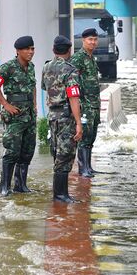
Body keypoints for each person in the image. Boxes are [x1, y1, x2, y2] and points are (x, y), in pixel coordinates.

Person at [0, 36, 37, 196]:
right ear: (18, 51)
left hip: (29, 116)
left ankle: (21, 185)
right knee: (12, 151)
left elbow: (33, 86)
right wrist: (5, 104)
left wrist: (35, 105)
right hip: (15, 116)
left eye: (32, 48)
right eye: (27, 49)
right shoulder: (8, 67)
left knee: (27, 151)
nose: (30, 52)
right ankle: (4, 187)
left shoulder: (31, 67)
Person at [41, 35, 82, 203]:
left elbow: (45, 87)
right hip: (66, 116)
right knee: (65, 154)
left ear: (53, 50)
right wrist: (78, 122)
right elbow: (73, 97)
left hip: (52, 115)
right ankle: (60, 195)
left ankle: (60, 194)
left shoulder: (46, 67)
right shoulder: (71, 70)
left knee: (57, 152)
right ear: (69, 50)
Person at [70, 28, 101, 177]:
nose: (93, 42)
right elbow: (73, 82)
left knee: (91, 135)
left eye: (95, 39)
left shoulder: (91, 58)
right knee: (84, 137)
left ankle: (88, 166)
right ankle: (83, 168)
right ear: (83, 41)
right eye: (90, 39)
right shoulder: (78, 58)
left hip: (94, 103)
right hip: (84, 104)